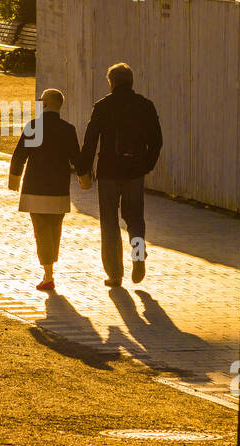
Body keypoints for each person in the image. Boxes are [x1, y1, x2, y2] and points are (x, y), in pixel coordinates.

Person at [78, 62, 162, 288]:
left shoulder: (103, 106)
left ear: (111, 82)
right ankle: (138, 254)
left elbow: (90, 140)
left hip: (108, 171)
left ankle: (115, 274)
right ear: (131, 81)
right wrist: (146, 166)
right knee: (135, 216)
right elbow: (156, 141)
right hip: (134, 170)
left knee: (109, 221)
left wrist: (83, 169)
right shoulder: (145, 105)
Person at [9, 89, 90, 291]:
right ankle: (50, 265)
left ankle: (48, 273)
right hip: (59, 187)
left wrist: (14, 179)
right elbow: (76, 157)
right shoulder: (68, 129)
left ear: (44, 104)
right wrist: (84, 179)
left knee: (41, 230)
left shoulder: (34, 127)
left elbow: (20, 155)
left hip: (35, 187)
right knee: (55, 229)